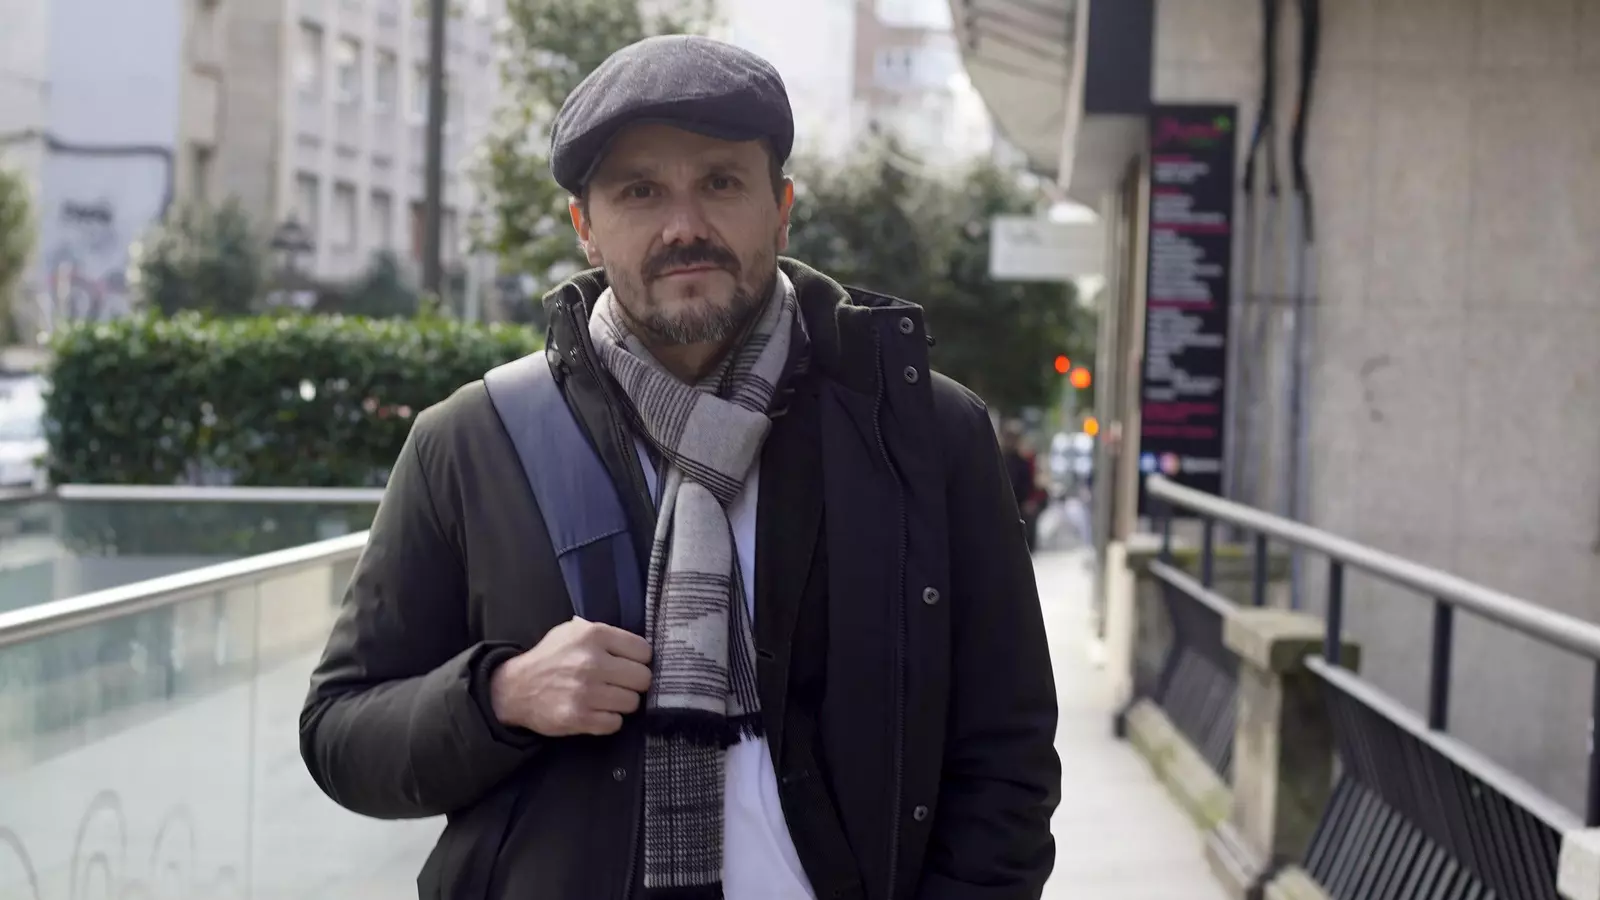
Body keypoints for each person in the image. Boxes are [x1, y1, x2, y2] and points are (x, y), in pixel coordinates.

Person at [299, 34, 1060, 900]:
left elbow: (1007, 752)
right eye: (640, 190)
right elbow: (340, 732)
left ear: (781, 208)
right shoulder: (475, 441)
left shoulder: (922, 433)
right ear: (586, 229)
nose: (685, 226)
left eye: (721, 183)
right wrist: (500, 695)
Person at [1000, 421, 1045, 552]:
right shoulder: (999, 460)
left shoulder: (1024, 461)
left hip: (1020, 506)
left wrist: (1030, 501)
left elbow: (1030, 483)